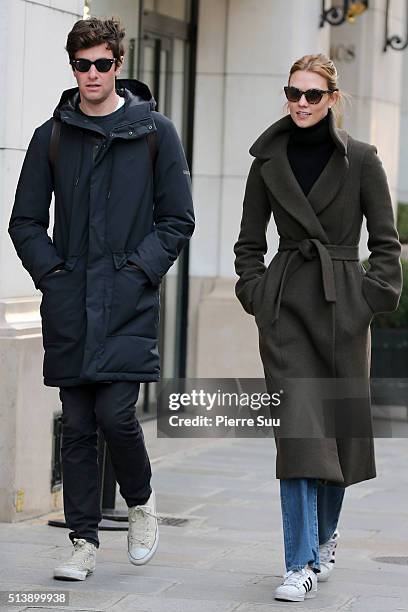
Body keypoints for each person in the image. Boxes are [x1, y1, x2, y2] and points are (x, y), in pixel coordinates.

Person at [8, 17, 194, 581]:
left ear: (119, 65)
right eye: (83, 65)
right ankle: (82, 542)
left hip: (126, 298)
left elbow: (177, 218)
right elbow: (25, 221)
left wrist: (139, 272)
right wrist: (55, 276)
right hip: (70, 300)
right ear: (73, 68)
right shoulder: (53, 135)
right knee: (79, 423)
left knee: (117, 413)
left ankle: (140, 501)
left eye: (103, 64)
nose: (93, 74)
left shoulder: (155, 131)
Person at [234, 53, 402, 602]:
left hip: (343, 309)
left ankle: (326, 535)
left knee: (339, 436)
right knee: (301, 436)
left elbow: (385, 241)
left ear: (332, 98)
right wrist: (256, 292)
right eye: (292, 93)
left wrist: (370, 297)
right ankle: (299, 562)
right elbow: (248, 244)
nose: (300, 104)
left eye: (311, 95)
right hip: (285, 309)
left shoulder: (362, 160)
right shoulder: (267, 160)